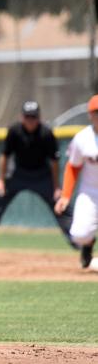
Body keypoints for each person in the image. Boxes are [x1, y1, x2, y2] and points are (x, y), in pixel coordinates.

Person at [0, 101, 75, 249]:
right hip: (18, 173)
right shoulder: (14, 131)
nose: (30, 121)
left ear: (39, 118)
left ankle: (80, 242)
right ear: (21, 117)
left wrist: (56, 187)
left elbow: (54, 162)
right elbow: (4, 156)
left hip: (42, 175)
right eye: (27, 117)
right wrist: (2, 181)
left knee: (60, 203)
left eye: (34, 117)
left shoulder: (46, 133)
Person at [54, 95, 98, 272]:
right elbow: (73, 168)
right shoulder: (82, 138)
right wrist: (65, 195)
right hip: (90, 192)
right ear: (90, 115)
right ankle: (88, 245)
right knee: (79, 235)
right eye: (96, 112)